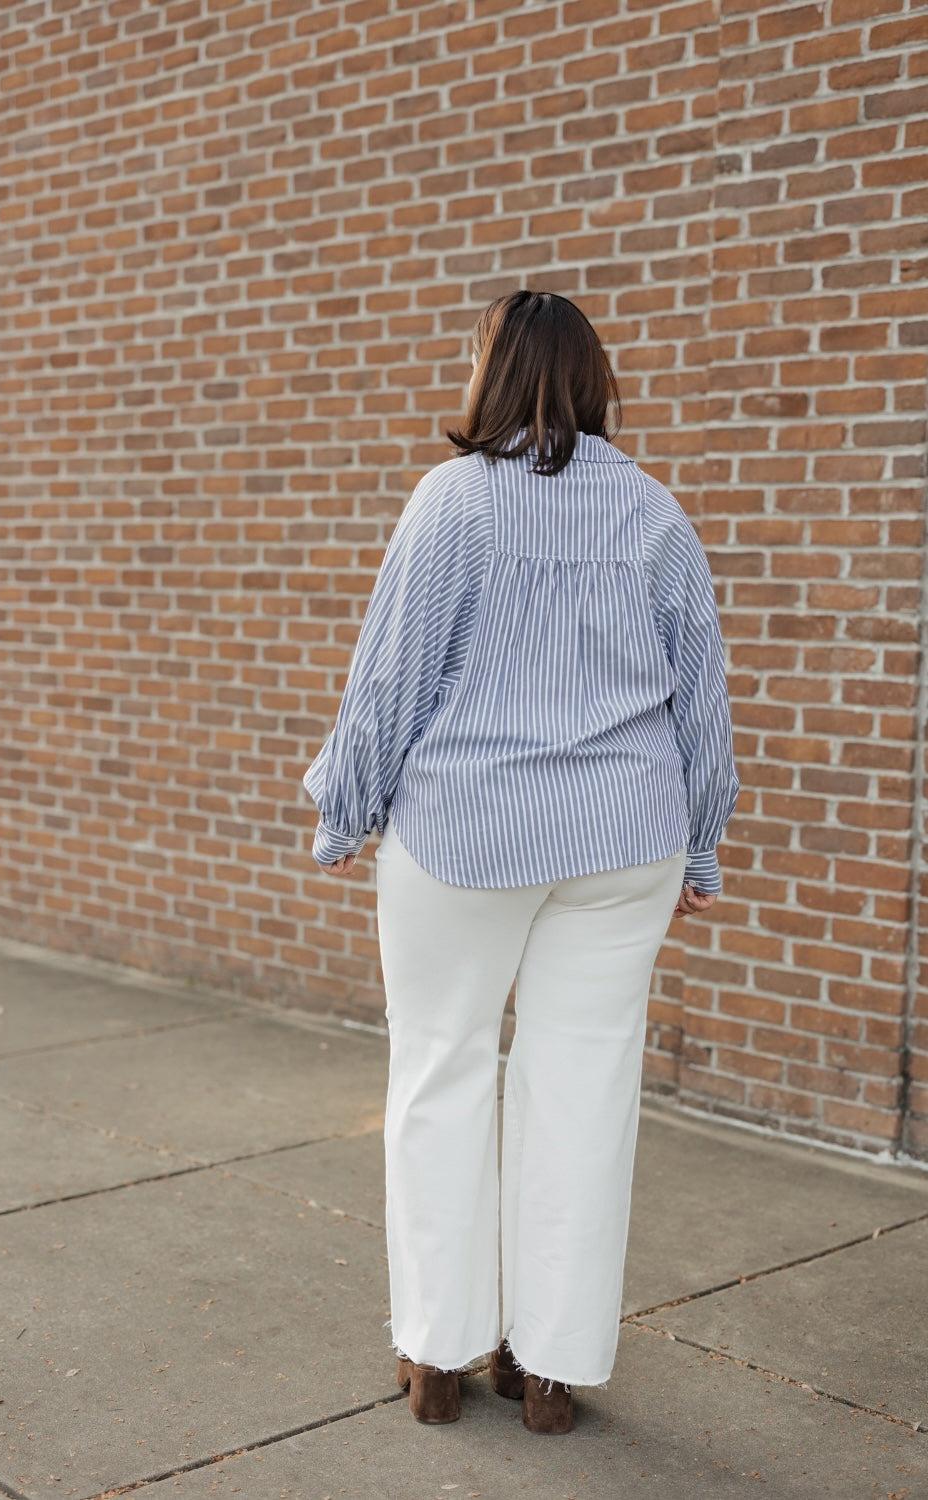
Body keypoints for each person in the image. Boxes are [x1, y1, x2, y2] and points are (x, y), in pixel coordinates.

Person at [303, 290, 738, 1434]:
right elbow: (703, 697)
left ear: (492, 375)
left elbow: (389, 672)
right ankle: (550, 1370)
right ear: (592, 379)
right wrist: (700, 840)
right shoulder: (653, 513)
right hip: (622, 842)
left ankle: (438, 1358)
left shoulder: (454, 503)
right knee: (584, 1090)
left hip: (465, 836)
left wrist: (343, 811)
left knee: (440, 1074)